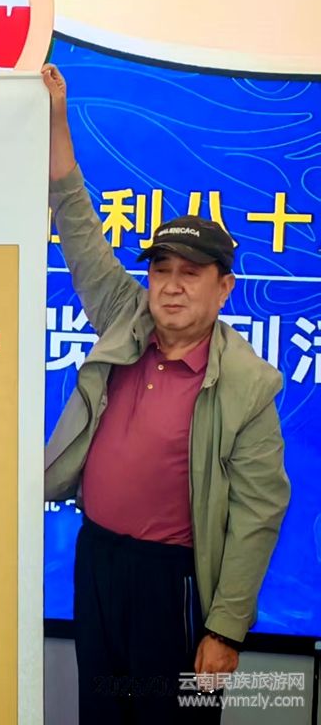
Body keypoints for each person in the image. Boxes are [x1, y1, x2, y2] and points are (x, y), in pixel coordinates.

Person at [41, 63, 290, 724]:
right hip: (99, 561)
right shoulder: (125, 317)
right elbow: (77, 222)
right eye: (161, 270)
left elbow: (259, 514)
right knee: (102, 713)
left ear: (224, 288)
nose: (172, 285)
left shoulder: (248, 386)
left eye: (191, 273)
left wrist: (226, 628)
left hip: (174, 584)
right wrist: (58, 119)